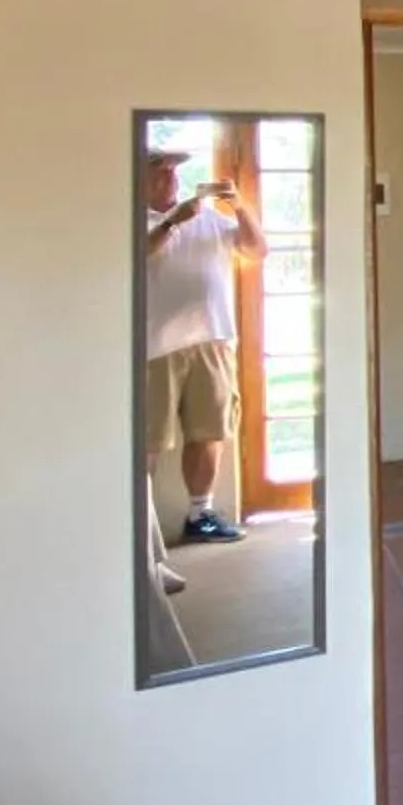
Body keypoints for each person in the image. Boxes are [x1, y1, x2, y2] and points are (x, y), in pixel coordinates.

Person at [144, 144, 266, 544]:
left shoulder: (210, 218)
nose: (170, 176)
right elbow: (133, 256)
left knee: (208, 432)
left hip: (212, 340)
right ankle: (138, 528)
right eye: (159, 169)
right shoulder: (131, 220)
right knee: (147, 442)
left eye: (174, 170)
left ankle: (200, 515)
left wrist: (240, 206)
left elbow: (256, 250)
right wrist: (172, 223)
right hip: (155, 348)